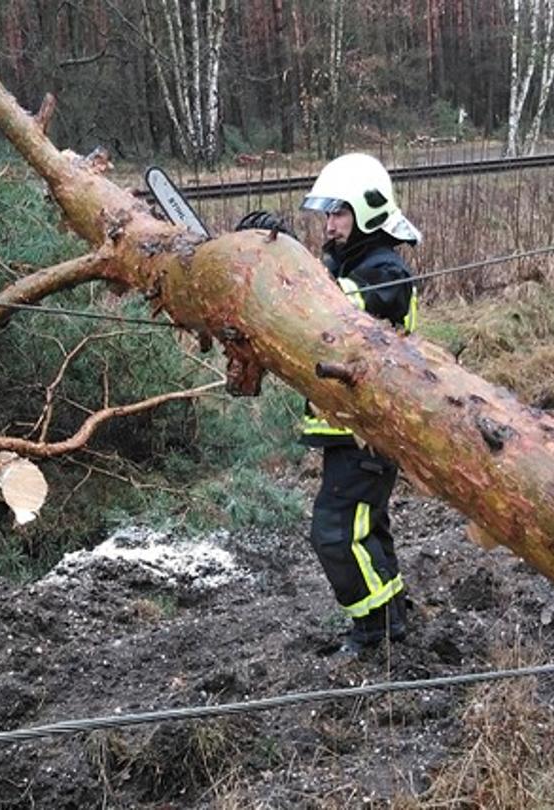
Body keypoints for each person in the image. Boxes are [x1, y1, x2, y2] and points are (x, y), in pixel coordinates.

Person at [237, 152, 422, 655]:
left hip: (371, 430)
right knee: (366, 526)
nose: (330, 224)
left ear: (366, 212)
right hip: (355, 432)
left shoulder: (384, 272)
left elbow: (331, 307)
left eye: (338, 213)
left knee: (336, 533)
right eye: (328, 213)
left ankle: (372, 633)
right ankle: (392, 616)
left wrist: (291, 257)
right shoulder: (347, 264)